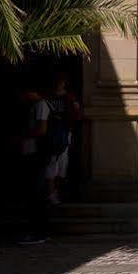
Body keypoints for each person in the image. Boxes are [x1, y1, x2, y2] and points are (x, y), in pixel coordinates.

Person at [16, 84, 52, 244]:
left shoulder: (41, 105)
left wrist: (22, 136)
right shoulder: (36, 106)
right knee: (34, 192)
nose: (22, 97)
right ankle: (38, 230)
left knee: (36, 193)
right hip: (33, 153)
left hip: (37, 154)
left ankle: (39, 231)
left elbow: (42, 129)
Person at [42, 73, 77, 205]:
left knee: (62, 167)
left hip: (64, 133)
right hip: (51, 135)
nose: (59, 84)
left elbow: (75, 115)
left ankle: (55, 192)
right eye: (57, 81)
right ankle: (51, 193)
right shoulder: (47, 98)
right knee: (52, 164)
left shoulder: (68, 98)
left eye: (61, 81)